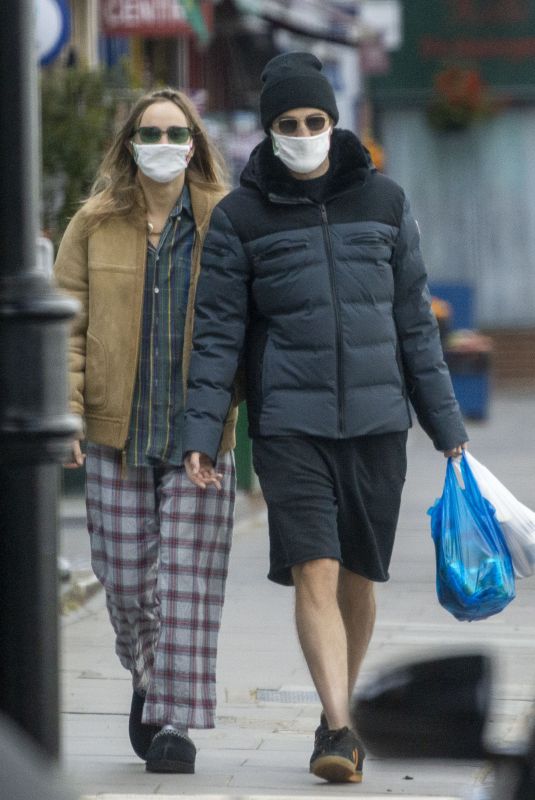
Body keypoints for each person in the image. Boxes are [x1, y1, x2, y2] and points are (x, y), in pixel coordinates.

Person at [182, 51, 468, 784]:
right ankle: (338, 727)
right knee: (315, 566)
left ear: (333, 123)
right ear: (267, 130)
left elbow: (413, 325)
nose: (302, 132)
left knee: (358, 580)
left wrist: (448, 432)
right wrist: (202, 432)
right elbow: (216, 332)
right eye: (287, 123)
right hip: (289, 424)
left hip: (377, 421)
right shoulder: (241, 218)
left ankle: (337, 710)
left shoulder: (385, 202)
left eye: (313, 120)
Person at [54, 88, 239, 774]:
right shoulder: (93, 225)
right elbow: (64, 329)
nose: (162, 144)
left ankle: (171, 722)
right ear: (129, 143)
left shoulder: (227, 222)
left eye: (175, 132)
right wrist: (68, 412)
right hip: (115, 429)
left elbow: (244, 326)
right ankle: (149, 678)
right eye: (150, 132)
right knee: (127, 581)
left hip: (200, 433)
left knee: (185, 582)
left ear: (195, 144)